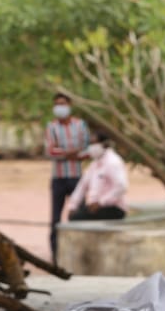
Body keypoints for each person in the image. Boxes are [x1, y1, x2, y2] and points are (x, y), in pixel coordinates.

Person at [44, 92, 89, 262]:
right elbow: (50, 152)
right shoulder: (52, 127)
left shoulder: (80, 125)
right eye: (57, 104)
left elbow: (85, 151)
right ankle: (55, 256)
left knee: (79, 215)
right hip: (58, 178)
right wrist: (72, 153)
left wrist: (64, 152)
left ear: (69, 105)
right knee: (55, 218)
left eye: (63, 104)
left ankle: (80, 254)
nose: (60, 107)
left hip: (77, 177)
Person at [66, 131, 129, 222]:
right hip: (95, 206)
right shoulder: (94, 164)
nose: (91, 147)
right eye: (90, 144)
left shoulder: (113, 162)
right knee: (74, 215)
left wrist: (101, 202)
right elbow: (82, 186)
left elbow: (121, 187)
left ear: (105, 145)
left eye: (94, 143)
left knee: (78, 218)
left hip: (114, 207)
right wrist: (73, 206)